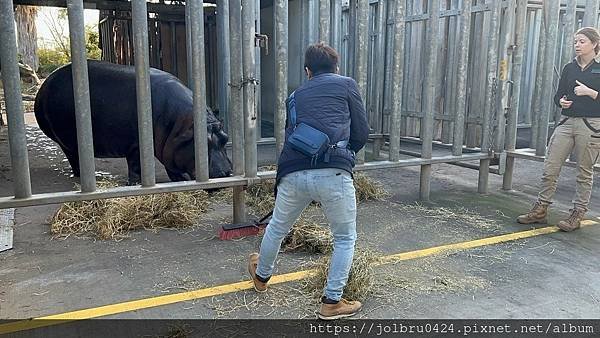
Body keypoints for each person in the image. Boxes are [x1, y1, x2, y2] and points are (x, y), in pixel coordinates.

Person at [247, 42, 369, 320]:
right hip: (334, 172)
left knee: (277, 227)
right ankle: (332, 302)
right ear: (336, 67)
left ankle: (262, 276)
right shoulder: (347, 84)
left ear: (307, 71)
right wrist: (346, 155)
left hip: (292, 170)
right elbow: (361, 131)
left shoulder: (295, 95)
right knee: (344, 238)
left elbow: (292, 133)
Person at [517, 27, 600, 231]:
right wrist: (561, 101)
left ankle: (577, 214)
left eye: (582, 41)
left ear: (594, 44)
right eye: (575, 42)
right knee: (550, 166)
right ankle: (541, 209)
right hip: (566, 121)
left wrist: (591, 93)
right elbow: (558, 95)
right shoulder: (569, 68)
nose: (577, 45)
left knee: (583, 172)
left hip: (591, 124)